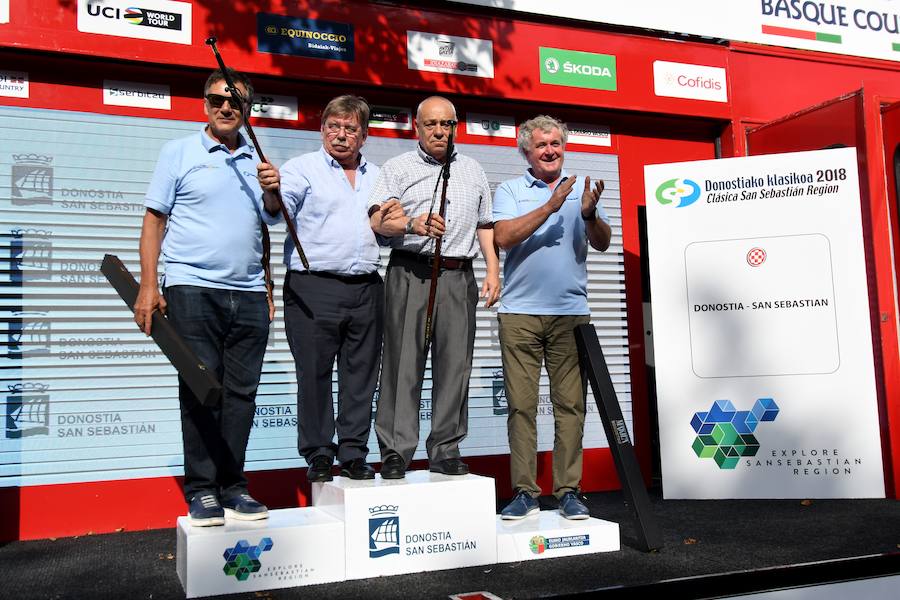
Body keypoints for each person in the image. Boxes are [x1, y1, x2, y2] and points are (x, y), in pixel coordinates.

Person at [135, 68, 280, 526]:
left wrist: (273, 193)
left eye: (234, 102)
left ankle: (233, 487)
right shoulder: (178, 152)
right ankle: (202, 490)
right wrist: (147, 284)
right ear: (205, 104)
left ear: (246, 111)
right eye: (218, 99)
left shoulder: (258, 161)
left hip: (250, 294)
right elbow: (154, 220)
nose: (225, 108)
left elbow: (268, 227)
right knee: (201, 390)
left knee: (242, 395)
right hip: (192, 288)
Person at [256, 96, 403, 483]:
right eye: (333, 127)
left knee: (361, 376)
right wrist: (271, 191)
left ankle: (354, 452)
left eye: (350, 128)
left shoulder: (380, 176)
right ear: (322, 130)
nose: (341, 135)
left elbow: (387, 235)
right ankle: (319, 452)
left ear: (364, 135)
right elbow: (275, 211)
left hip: (368, 287)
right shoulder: (300, 169)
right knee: (314, 373)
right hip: (312, 285)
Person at [368, 96, 500, 479]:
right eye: (431, 124)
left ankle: (446, 448)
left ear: (455, 126)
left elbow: (485, 224)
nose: (439, 131)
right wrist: (411, 223)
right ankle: (395, 450)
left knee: (455, 366)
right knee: (401, 365)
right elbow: (378, 220)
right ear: (417, 126)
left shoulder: (473, 169)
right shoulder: (397, 168)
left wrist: (493, 270)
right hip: (410, 273)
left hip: (459, 276)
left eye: (446, 124)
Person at [492, 115, 611, 520]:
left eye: (556, 143)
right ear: (527, 150)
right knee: (521, 408)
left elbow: (601, 244)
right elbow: (503, 237)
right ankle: (525, 492)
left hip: (570, 315)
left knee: (571, 407)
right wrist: (551, 205)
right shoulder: (509, 190)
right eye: (542, 144)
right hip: (520, 316)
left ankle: (569, 492)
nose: (550, 150)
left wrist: (590, 214)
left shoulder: (581, 191)